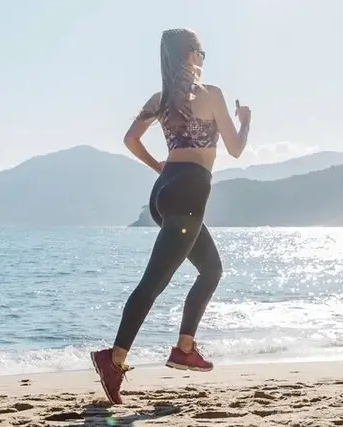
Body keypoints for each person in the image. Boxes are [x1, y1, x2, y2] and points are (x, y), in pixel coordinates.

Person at [91, 28, 250, 404]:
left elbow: (131, 138)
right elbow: (236, 149)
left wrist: (158, 166)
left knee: (211, 270)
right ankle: (113, 358)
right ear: (191, 55)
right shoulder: (211, 94)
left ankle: (184, 348)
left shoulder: (160, 99)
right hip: (190, 192)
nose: (203, 58)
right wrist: (245, 120)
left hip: (165, 193)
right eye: (201, 52)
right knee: (153, 282)